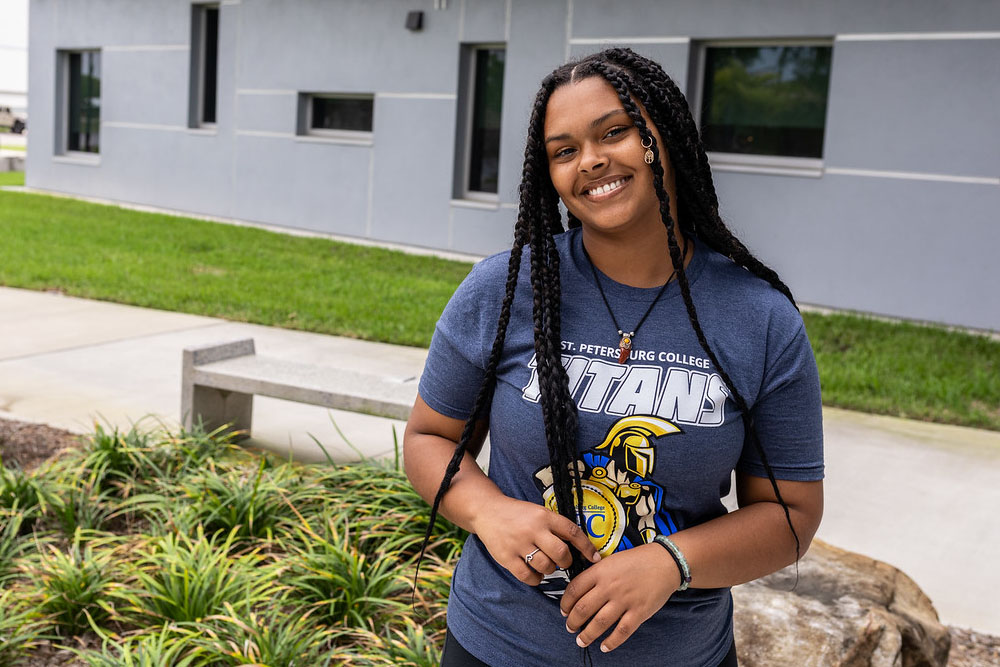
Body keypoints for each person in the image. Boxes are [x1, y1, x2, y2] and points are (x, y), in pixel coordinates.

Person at [404, 47, 824, 667]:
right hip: (497, 645)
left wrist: (671, 563)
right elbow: (428, 438)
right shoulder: (505, 290)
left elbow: (791, 516)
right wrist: (489, 511)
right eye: (564, 150)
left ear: (665, 136)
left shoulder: (759, 319)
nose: (592, 161)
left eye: (614, 132)